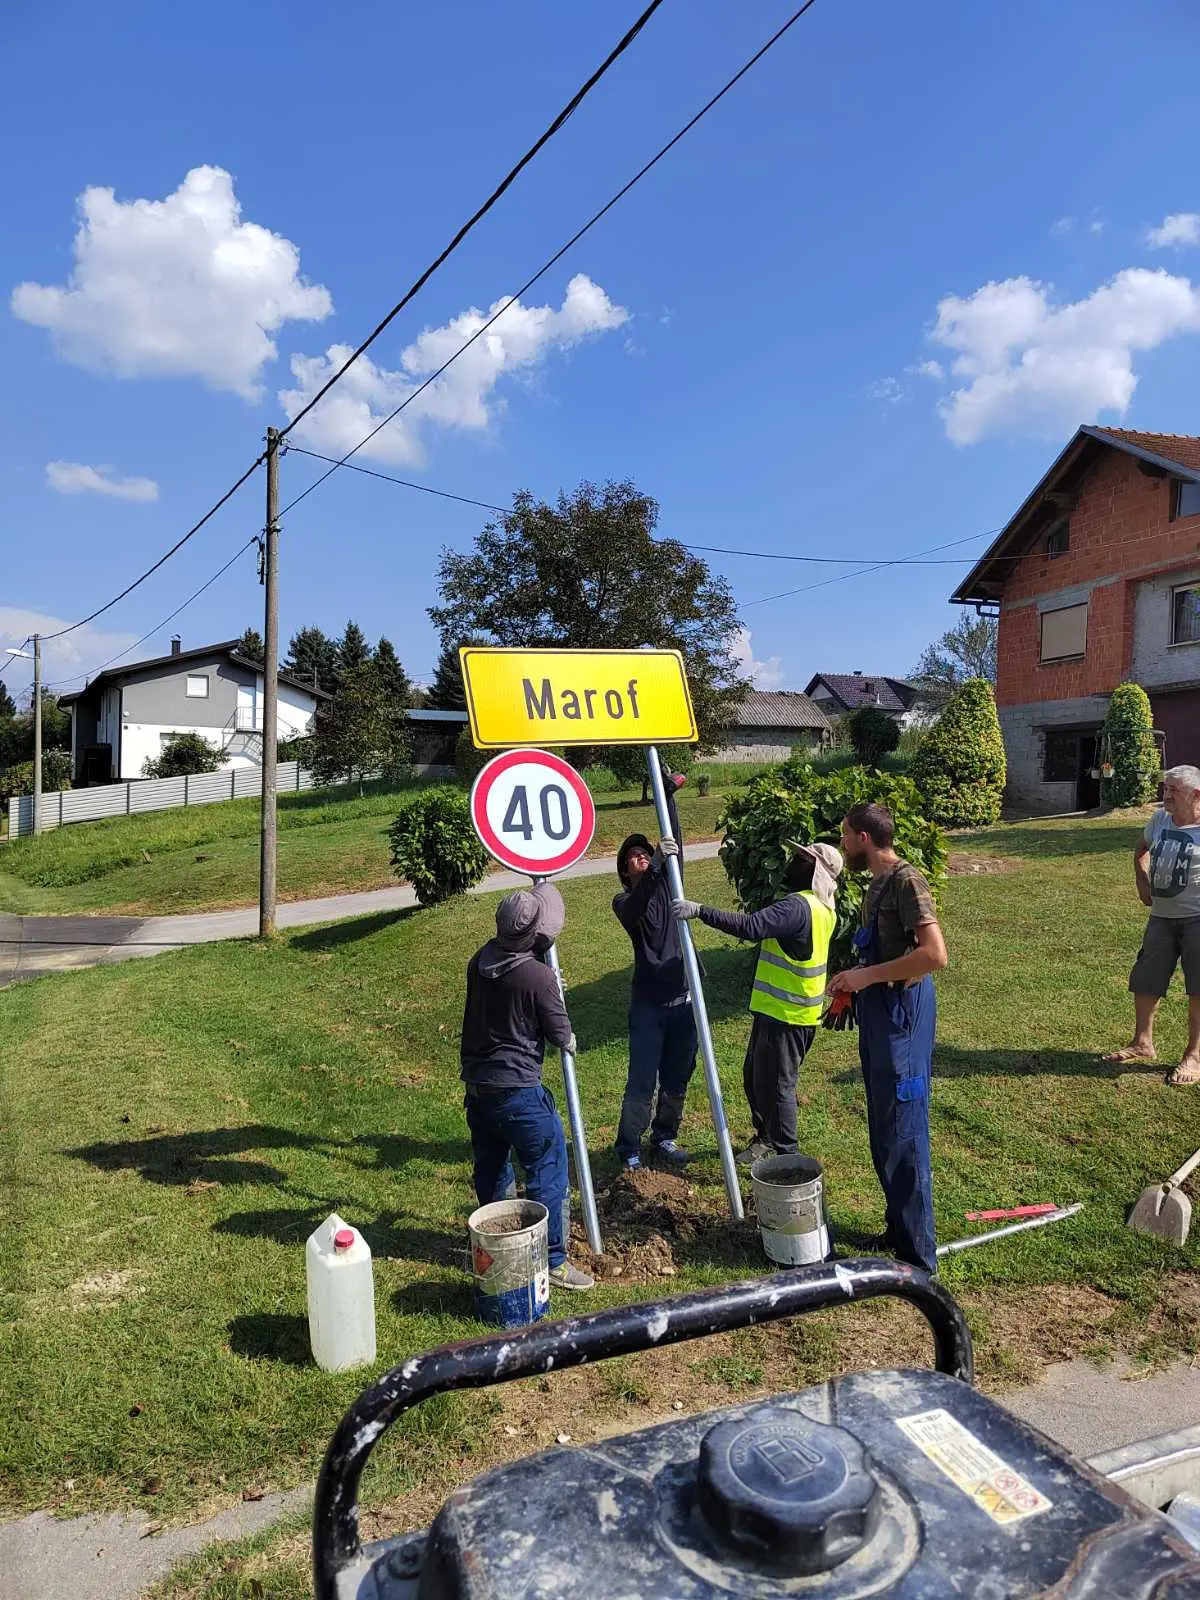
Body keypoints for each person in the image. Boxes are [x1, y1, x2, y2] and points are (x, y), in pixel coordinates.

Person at [828, 802, 947, 1275]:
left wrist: (868, 976)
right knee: (884, 1127)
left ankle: (920, 1257)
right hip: (879, 1012)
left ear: (863, 838)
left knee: (905, 1130)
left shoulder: (906, 881)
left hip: (903, 1016)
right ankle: (898, 1231)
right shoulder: (876, 883)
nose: (842, 844)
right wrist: (856, 978)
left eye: (845, 835)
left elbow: (934, 955)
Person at [673, 842, 843, 1165]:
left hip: (787, 1016)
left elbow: (750, 927)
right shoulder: (824, 908)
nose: (792, 863)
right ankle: (766, 1138)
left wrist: (699, 911)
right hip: (787, 1012)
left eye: (800, 859)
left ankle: (785, 1155)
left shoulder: (798, 907)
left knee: (777, 1087)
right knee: (755, 1077)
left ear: (814, 871)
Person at [460, 885, 594, 1290]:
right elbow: (559, 1032)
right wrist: (554, 997)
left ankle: (498, 1248)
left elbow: (511, 995)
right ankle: (552, 1260)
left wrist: (547, 985)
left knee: (492, 1167)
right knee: (548, 1169)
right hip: (518, 1091)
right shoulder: (538, 976)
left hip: (479, 1087)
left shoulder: (479, 960)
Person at [1104, 764, 1200, 1085]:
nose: (1166, 794)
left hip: (1197, 919)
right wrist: (1141, 878)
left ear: (1196, 795)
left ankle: (1194, 1055)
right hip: (1161, 917)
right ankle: (1142, 1043)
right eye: (1165, 788)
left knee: (1198, 986)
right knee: (1146, 979)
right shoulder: (1159, 820)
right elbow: (1141, 848)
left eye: (1173, 789)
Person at [612, 815, 696, 1171]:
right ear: (625, 871)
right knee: (642, 1081)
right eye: (632, 855)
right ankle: (629, 1145)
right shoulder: (624, 901)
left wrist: (669, 795)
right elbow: (635, 907)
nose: (641, 856)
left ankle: (664, 1135)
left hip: (684, 1003)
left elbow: (671, 838)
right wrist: (655, 866)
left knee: (677, 1077)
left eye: (645, 852)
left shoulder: (667, 887)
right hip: (649, 1008)